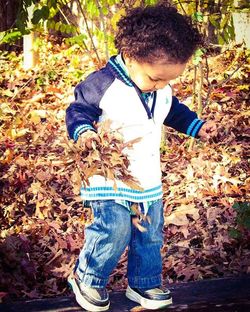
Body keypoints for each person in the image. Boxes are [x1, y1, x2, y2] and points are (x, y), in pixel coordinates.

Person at [66, 3, 217, 311]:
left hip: (147, 177)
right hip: (108, 175)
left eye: (167, 81)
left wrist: (197, 127)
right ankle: (88, 278)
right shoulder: (103, 84)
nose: (161, 86)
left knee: (150, 233)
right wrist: (83, 132)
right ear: (132, 57)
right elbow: (78, 110)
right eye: (155, 79)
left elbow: (172, 110)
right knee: (115, 228)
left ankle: (144, 284)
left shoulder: (159, 86)